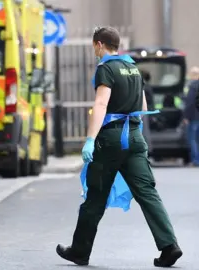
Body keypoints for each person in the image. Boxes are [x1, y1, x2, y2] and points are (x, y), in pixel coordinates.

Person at [56, 26, 182, 267]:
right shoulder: (133, 67)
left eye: (95, 46)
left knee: (95, 196)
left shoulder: (107, 68)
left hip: (111, 139)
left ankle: (80, 251)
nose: (94, 50)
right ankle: (169, 246)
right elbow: (143, 106)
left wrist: (91, 139)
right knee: (147, 193)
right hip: (135, 136)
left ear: (100, 45)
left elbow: (101, 104)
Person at [183, 66, 199, 166]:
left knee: (192, 139)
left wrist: (186, 116)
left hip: (194, 117)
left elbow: (190, 103)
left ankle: (196, 160)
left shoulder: (193, 86)